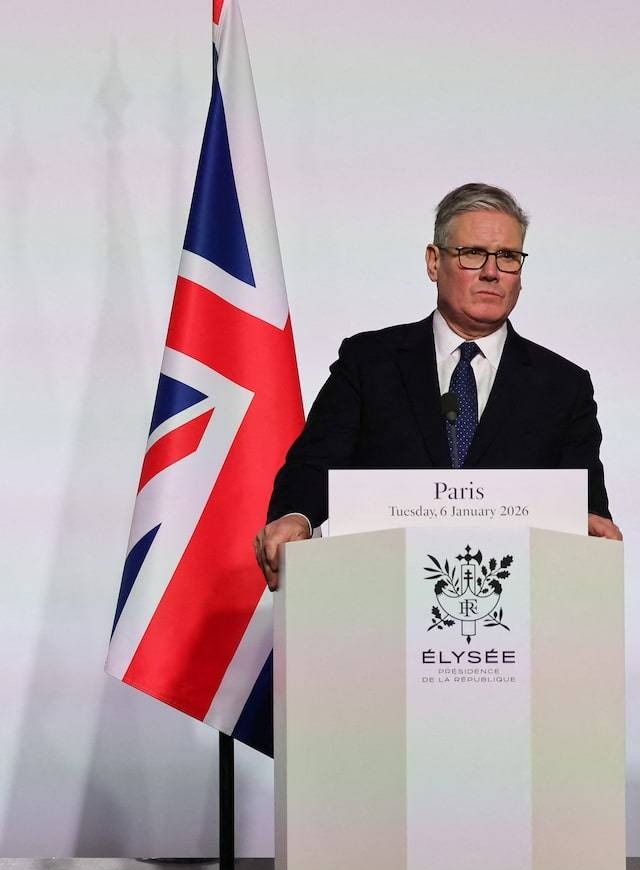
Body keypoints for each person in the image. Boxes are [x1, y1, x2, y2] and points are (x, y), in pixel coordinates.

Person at [254, 183, 617, 589]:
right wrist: (296, 516)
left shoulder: (563, 386)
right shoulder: (369, 362)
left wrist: (591, 526)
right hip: (380, 592)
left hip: (514, 598)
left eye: (508, 257)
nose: (492, 272)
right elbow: (315, 464)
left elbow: (585, 501)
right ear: (433, 262)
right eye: (472, 253)